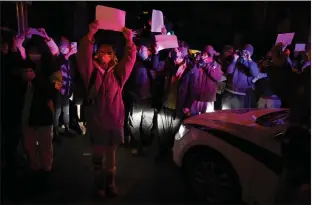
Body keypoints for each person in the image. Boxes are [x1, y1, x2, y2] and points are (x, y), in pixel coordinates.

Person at [76, 20, 136, 198]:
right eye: (101, 51)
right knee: (97, 155)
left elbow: (130, 60)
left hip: (114, 120)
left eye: (109, 52)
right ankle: (99, 185)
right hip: (96, 119)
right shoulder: (91, 71)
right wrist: (90, 35)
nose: (105, 55)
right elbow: (82, 57)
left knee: (111, 155)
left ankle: (110, 183)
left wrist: (130, 41)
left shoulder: (118, 72)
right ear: (96, 53)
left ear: (114, 55)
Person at [267, 42, 310, 205]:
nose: (308, 52)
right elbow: (291, 90)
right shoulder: (308, 75)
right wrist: (281, 65)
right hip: (297, 157)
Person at [19, 28, 60, 185]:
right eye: (30, 51)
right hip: (27, 112)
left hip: (44, 111)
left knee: (45, 144)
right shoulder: (24, 65)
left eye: (36, 51)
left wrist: (35, 79)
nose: (33, 54)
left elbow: (53, 90)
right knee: (29, 144)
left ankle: (46, 170)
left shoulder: (52, 67)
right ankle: (34, 167)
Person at [154, 45, 194, 158]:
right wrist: (156, 53)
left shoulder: (190, 69)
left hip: (178, 106)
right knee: (162, 131)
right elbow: (156, 67)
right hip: (166, 103)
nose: (173, 52)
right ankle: (162, 152)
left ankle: (172, 153)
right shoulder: (169, 65)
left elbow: (192, 89)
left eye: (175, 51)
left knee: (174, 132)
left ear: (182, 54)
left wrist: (187, 106)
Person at [126, 42, 158, 156]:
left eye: (144, 50)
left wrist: (156, 52)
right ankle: (135, 144)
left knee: (147, 124)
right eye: (141, 49)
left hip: (148, 100)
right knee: (134, 123)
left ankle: (144, 145)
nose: (142, 51)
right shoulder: (135, 63)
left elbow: (155, 65)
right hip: (137, 99)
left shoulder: (151, 63)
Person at [53, 36, 77, 140]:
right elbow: (59, 65)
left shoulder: (69, 60)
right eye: (65, 45)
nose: (67, 47)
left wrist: (71, 87)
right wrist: (68, 55)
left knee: (66, 109)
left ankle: (66, 128)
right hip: (58, 88)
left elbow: (70, 73)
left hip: (66, 88)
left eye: (67, 44)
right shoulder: (57, 57)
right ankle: (55, 130)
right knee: (57, 109)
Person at [222, 44, 259, 109]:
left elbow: (255, 74)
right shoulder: (235, 60)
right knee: (224, 115)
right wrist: (234, 60)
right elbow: (229, 71)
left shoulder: (252, 64)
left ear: (250, 53)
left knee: (236, 117)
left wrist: (249, 60)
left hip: (240, 94)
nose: (244, 53)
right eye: (243, 51)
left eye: (247, 52)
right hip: (228, 92)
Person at [188, 45, 223, 115]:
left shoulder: (216, 65)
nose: (204, 55)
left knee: (206, 119)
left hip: (208, 99)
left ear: (211, 55)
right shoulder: (198, 63)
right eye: (203, 53)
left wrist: (206, 66)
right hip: (196, 97)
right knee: (193, 118)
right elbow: (191, 73)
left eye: (206, 54)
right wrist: (196, 62)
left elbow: (218, 78)